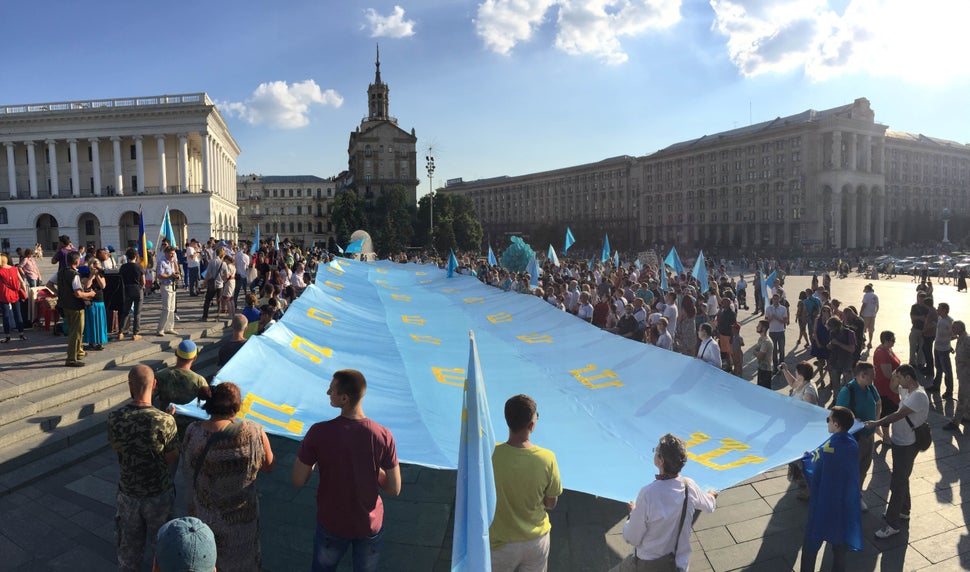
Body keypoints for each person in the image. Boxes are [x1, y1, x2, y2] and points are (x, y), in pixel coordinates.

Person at [292, 369, 401, 572]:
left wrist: (315, 460)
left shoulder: (318, 433)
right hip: (369, 524)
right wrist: (371, 468)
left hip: (333, 522)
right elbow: (394, 489)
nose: (327, 392)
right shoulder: (383, 435)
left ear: (344, 398)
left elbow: (298, 479)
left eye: (331, 390)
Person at [182, 382, 274, 571]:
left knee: (206, 560)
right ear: (237, 406)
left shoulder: (193, 431)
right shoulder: (255, 432)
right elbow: (268, 466)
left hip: (204, 515)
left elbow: (187, 461)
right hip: (242, 520)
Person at [108, 365, 179, 572]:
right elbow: (172, 456)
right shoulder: (165, 421)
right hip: (159, 494)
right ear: (154, 385)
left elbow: (118, 448)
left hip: (128, 492)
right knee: (162, 545)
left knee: (128, 548)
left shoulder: (114, 418)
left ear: (130, 386)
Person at [612, 433, 717, 572]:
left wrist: (632, 513)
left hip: (648, 564)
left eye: (656, 451)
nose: (654, 453)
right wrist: (711, 494)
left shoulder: (648, 493)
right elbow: (709, 506)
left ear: (660, 460)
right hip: (677, 565)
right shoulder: (688, 486)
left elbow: (632, 537)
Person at [490, 394, 562, 571]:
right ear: (532, 425)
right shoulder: (547, 458)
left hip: (500, 543)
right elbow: (551, 503)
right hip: (535, 541)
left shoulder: (490, 454)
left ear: (507, 420)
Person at [864, 364, 930, 539]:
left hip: (907, 444)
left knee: (897, 483)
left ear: (908, 378)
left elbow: (896, 416)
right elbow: (893, 387)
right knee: (902, 476)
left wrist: (876, 423)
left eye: (900, 377)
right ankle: (904, 511)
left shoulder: (918, 396)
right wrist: (894, 374)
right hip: (899, 441)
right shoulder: (907, 390)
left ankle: (892, 524)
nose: (897, 381)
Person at [798, 406, 863, 572]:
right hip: (843, 505)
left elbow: (815, 470)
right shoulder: (851, 444)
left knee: (811, 545)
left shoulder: (830, 446)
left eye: (829, 419)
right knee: (839, 547)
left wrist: (805, 460)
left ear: (837, 425)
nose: (827, 422)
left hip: (824, 505)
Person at [834, 362, 881, 511]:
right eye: (872, 374)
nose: (875, 377)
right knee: (851, 470)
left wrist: (877, 421)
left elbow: (878, 402)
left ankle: (857, 495)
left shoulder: (870, 387)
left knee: (864, 467)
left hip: (869, 436)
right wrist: (854, 421)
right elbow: (838, 415)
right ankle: (845, 497)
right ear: (862, 375)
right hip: (855, 439)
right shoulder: (848, 391)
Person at [57, 251, 96, 366]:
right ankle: (71, 359)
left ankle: (79, 352)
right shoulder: (74, 275)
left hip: (64, 305)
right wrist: (90, 294)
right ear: (77, 261)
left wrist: (61, 294)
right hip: (75, 307)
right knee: (76, 333)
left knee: (73, 331)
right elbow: (78, 294)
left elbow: (49, 284)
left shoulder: (61, 272)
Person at [154, 340, 208, 412]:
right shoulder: (199, 380)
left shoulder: (160, 375)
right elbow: (207, 402)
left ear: (176, 353)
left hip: (166, 418)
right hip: (190, 420)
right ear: (195, 358)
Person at [945, 321, 970, 431]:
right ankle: (968, 415)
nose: (952, 329)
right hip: (963, 374)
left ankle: (955, 422)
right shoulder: (961, 337)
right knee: (967, 398)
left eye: (954, 328)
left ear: (960, 328)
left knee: (962, 397)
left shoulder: (967, 340)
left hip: (967, 375)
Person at [118, 248, 146, 340]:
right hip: (137, 289)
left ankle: (121, 332)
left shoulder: (123, 267)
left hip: (126, 289)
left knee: (125, 312)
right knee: (137, 313)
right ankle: (135, 333)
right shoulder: (139, 267)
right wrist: (141, 287)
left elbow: (120, 279)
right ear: (136, 256)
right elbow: (143, 281)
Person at [82, 256, 108, 351]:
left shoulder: (101, 274)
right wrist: (92, 276)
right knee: (91, 322)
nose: (98, 268)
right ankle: (91, 342)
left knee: (100, 322)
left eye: (99, 266)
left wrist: (97, 275)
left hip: (99, 300)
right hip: (90, 301)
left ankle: (100, 342)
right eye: (96, 266)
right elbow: (86, 286)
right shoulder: (85, 274)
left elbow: (103, 286)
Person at [0, 252, 27, 342]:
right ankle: (21, 334)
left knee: (5, 316)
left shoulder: (0, 271)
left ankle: (7, 336)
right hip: (15, 294)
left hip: (3, 295)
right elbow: (22, 282)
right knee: (18, 314)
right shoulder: (15, 269)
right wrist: (24, 292)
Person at [155, 247, 180, 336]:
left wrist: (177, 276)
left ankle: (169, 327)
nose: (173, 255)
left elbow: (176, 272)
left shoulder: (173, 263)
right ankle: (160, 329)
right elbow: (159, 275)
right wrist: (170, 276)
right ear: (166, 253)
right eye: (171, 253)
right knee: (166, 308)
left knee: (172, 309)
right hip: (165, 286)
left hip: (172, 286)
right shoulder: (162, 262)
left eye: (173, 253)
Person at [933, 302, 954, 396]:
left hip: (944, 350)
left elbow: (953, 335)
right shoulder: (940, 318)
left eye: (939, 308)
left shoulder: (949, 321)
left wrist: (948, 345)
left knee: (947, 371)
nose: (937, 310)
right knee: (938, 368)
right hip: (937, 348)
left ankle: (949, 391)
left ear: (944, 310)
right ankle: (936, 386)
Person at [765, 293, 789, 372]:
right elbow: (766, 321)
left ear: (779, 299)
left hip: (780, 331)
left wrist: (777, 318)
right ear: (772, 299)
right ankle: (775, 367)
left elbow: (785, 321)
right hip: (772, 332)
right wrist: (771, 318)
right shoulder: (768, 308)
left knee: (781, 349)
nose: (775, 300)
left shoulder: (783, 308)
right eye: (774, 299)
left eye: (777, 299)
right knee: (774, 350)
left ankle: (782, 366)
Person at [753, 319, 774, 389]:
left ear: (764, 328)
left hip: (766, 371)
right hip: (761, 368)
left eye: (759, 326)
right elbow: (756, 350)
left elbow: (760, 356)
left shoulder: (766, 341)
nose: (756, 327)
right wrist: (757, 352)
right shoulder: (761, 339)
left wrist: (756, 353)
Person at [860, 284, 879, 350]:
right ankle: (870, 342)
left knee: (862, 329)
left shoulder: (866, 295)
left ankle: (862, 342)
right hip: (872, 315)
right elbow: (877, 306)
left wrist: (861, 313)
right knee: (871, 330)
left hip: (866, 315)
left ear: (867, 289)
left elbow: (864, 305)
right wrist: (875, 313)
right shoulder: (875, 296)